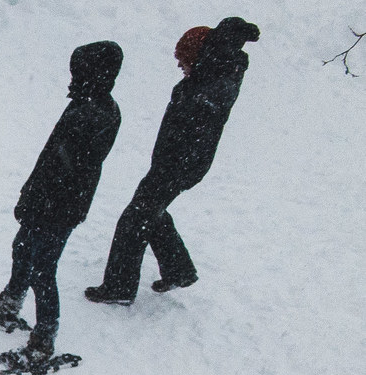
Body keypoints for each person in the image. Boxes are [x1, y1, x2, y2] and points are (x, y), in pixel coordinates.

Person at [0, 40, 123, 375]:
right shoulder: (85, 104)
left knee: (42, 268)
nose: (72, 77)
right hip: (48, 199)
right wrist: (30, 194)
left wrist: (41, 200)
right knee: (22, 248)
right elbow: (51, 157)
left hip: (61, 206)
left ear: (95, 74)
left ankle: (43, 340)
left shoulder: (96, 113)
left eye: (78, 72)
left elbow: (66, 168)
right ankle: (9, 303)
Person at [86, 17, 260, 306]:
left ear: (200, 57)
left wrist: (172, 161)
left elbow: (198, 121)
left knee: (134, 220)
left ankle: (119, 287)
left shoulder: (213, 84)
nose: (180, 65)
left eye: (183, 59)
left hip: (178, 165)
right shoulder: (212, 77)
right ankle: (179, 270)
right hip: (176, 163)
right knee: (152, 212)